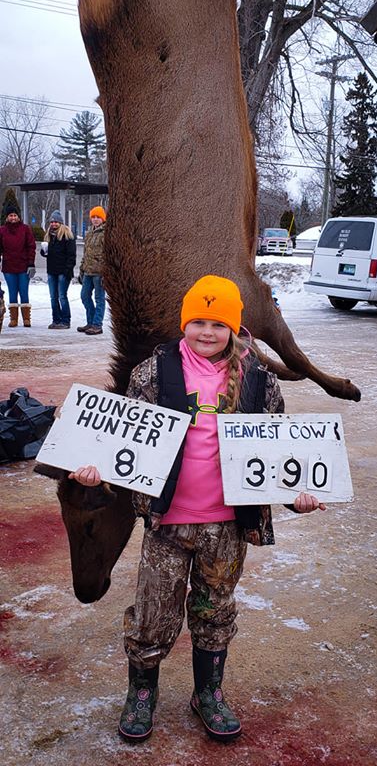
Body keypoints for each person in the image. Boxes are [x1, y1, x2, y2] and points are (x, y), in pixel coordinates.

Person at [69, 275, 325, 744]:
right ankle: (141, 694)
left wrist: (298, 494)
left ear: (234, 328)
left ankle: (208, 692)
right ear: (185, 323)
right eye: (198, 322)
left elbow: (275, 452)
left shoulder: (258, 379)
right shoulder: (153, 372)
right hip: (168, 522)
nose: (207, 332)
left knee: (214, 610)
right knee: (153, 614)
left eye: (219, 323)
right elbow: (125, 438)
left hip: (226, 526)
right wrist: (96, 472)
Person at [0, 202, 36, 327]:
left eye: (15, 215)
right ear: (7, 217)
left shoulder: (25, 229)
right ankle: (13, 319)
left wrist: (31, 264)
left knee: (24, 291)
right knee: (12, 292)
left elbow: (31, 246)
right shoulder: (2, 230)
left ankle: (26, 318)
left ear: (18, 216)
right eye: (11, 215)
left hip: (23, 266)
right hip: (8, 267)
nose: (13, 218)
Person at [41, 210, 76, 329]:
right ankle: (56, 319)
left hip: (63, 272)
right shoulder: (49, 236)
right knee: (53, 296)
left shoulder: (67, 236)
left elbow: (71, 255)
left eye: (56, 221)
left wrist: (68, 270)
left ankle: (66, 320)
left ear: (60, 223)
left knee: (62, 296)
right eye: (52, 222)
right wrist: (44, 251)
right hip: (51, 271)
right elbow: (48, 254)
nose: (54, 224)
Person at [77, 205, 106, 335]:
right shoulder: (88, 234)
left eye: (98, 217)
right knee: (84, 296)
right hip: (88, 271)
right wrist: (81, 270)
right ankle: (91, 321)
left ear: (102, 219)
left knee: (99, 298)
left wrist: (106, 273)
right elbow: (85, 254)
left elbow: (109, 255)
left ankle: (97, 324)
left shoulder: (106, 234)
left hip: (99, 273)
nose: (95, 219)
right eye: (93, 217)